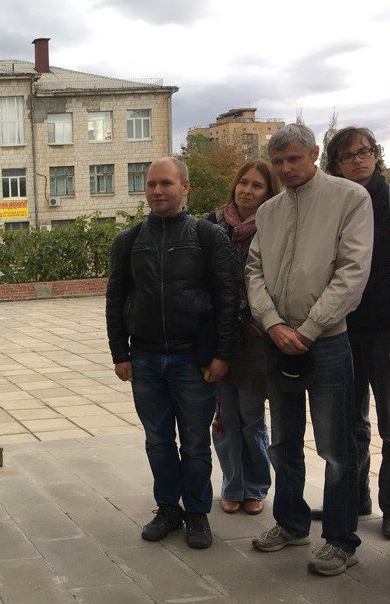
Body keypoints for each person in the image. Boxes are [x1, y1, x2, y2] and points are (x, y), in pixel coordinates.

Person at [247, 123, 372, 576]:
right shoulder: (269, 210)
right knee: (283, 441)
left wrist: (311, 327)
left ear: (315, 153)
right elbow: (254, 270)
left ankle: (340, 540)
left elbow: (352, 271)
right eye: (278, 162)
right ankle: (291, 522)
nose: (285, 169)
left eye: (293, 159)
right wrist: (272, 323)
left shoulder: (349, 198)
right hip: (277, 340)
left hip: (328, 342)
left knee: (336, 447)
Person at [106, 157, 239, 550]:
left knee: (195, 443)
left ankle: (196, 512)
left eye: (165, 183)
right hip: (145, 358)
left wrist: (222, 354)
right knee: (158, 440)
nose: (157, 191)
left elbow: (227, 300)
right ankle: (168, 508)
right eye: (151, 184)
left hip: (192, 360)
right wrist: (120, 353)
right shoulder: (129, 240)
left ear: (185, 187)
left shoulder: (208, 237)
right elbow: (115, 300)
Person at [311, 127, 390, 537]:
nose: (358, 160)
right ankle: (353, 497)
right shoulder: (334, 206)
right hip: (342, 330)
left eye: (365, 152)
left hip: (389, 331)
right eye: (348, 156)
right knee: (348, 422)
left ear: (376, 155)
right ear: (336, 165)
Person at [204, 161, 280, 515]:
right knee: (225, 417)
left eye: (257, 186)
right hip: (220, 334)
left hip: (255, 336)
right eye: (243, 183)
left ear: (269, 192)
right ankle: (232, 485)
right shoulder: (212, 224)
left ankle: (256, 486)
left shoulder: (275, 227)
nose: (247, 191)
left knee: (251, 416)